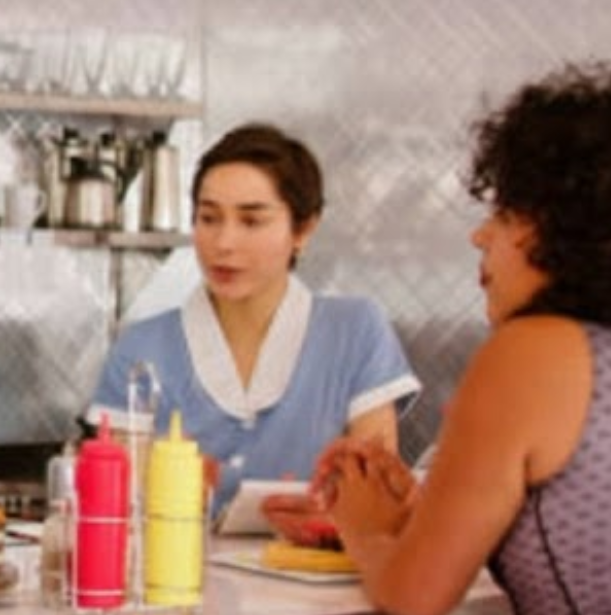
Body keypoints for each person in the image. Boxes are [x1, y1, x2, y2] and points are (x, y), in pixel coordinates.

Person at [322, 64, 611, 615]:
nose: (481, 232)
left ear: (567, 220)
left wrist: (361, 525)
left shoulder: (538, 349)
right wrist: (417, 512)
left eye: (509, 207)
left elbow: (419, 595)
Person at [86, 123, 420, 518]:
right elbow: (120, 510)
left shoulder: (356, 331)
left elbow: (378, 502)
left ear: (303, 229)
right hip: (177, 576)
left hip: (319, 576)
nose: (224, 243)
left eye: (251, 221)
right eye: (209, 218)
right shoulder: (141, 348)